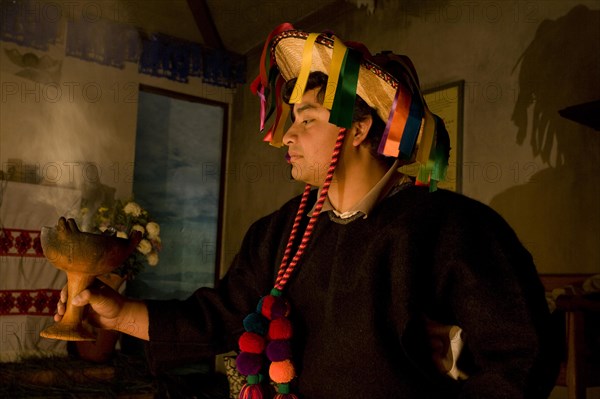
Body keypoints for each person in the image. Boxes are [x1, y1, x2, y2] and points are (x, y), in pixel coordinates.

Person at [56, 24, 560, 399]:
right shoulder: (280, 232)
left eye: (307, 119)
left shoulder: (453, 228)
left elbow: (523, 358)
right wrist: (118, 314)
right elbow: (219, 316)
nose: (286, 136)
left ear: (358, 129)